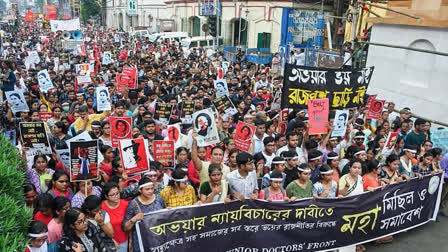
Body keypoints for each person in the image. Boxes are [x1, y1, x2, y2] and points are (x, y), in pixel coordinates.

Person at [123, 178, 165, 252]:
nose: (150, 191)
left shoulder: (159, 199)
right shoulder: (133, 204)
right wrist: (134, 219)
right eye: (147, 189)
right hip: (141, 242)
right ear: (140, 190)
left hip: (158, 239)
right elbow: (125, 227)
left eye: (152, 188)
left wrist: (168, 212)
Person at [101, 182, 129, 251]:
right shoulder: (101, 207)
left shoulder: (125, 204)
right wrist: (111, 239)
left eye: (117, 193)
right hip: (108, 242)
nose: (116, 196)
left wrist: (130, 240)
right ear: (106, 196)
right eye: (113, 195)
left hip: (123, 240)